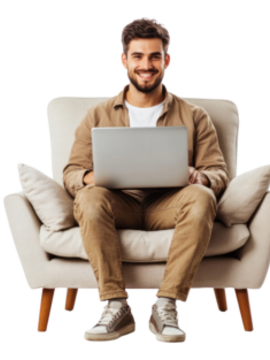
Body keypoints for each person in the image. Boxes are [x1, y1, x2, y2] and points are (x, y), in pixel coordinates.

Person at [66, 16, 229, 343]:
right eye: (137, 56)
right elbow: (72, 173)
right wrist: (94, 176)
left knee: (202, 197)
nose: (146, 65)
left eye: (155, 56)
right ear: (123, 60)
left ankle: (166, 305)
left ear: (168, 60)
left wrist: (199, 177)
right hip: (118, 204)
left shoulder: (194, 116)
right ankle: (116, 306)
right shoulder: (97, 115)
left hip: (169, 205)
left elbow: (219, 173)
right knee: (88, 197)